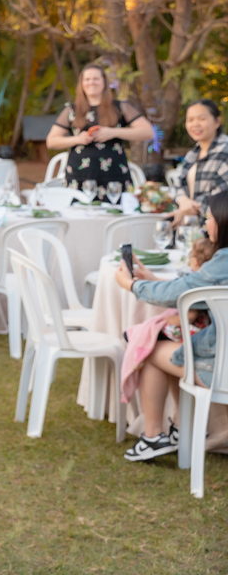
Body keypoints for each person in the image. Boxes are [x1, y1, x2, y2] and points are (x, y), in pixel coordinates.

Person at [115, 191, 228, 461]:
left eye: (210, 218)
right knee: (176, 347)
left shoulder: (224, 260)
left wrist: (132, 285)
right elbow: (196, 292)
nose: (206, 224)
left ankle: (154, 436)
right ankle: (181, 429)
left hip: (221, 371)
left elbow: (177, 294)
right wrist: (153, 279)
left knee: (150, 349)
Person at [46, 63, 153, 201]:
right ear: (82, 84)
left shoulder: (121, 107)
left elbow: (148, 132)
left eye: (96, 78)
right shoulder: (72, 110)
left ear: (104, 82)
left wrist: (113, 132)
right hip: (79, 177)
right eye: (87, 79)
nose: (91, 82)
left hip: (114, 177)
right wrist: (77, 139)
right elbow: (51, 141)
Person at [169, 99, 228, 227]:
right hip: (190, 227)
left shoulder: (225, 150)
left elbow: (222, 197)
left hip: (216, 230)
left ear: (217, 122)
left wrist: (188, 209)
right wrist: (183, 200)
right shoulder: (192, 154)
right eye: (190, 120)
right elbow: (177, 185)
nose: (195, 124)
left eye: (202, 119)